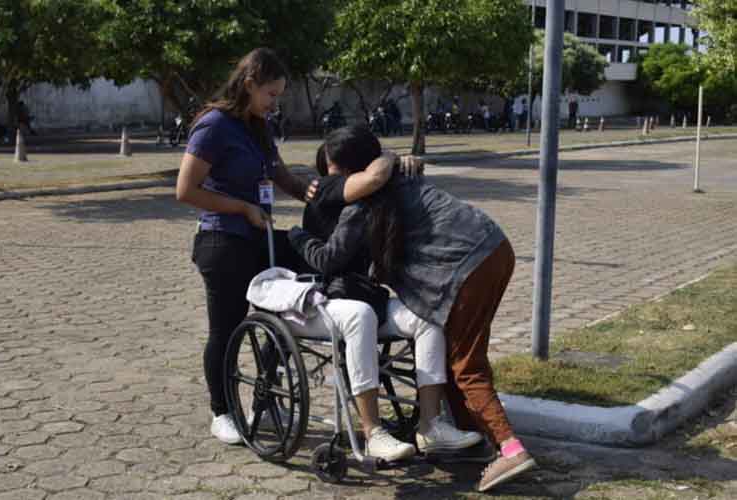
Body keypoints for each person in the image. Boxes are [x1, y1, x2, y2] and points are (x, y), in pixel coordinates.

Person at [288, 125, 537, 492]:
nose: (331, 179)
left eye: (334, 170)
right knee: (454, 352)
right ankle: (468, 436)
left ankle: (510, 449)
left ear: (355, 169)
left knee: (465, 365)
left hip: (468, 266)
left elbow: (330, 257)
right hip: (493, 247)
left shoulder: (363, 196)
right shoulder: (396, 177)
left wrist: (296, 236)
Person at [303, 145, 483, 459]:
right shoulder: (323, 202)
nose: (336, 179)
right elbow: (326, 260)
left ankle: (430, 426)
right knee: (361, 315)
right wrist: (298, 237)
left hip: (369, 297)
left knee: (426, 318)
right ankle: (373, 432)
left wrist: (402, 162)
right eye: (329, 171)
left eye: (340, 170)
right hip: (327, 300)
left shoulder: (378, 199)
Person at [176, 48, 318, 445]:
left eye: (279, 96)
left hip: (259, 238)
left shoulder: (259, 126)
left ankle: (264, 401)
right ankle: (221, 411)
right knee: (226, 328)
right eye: (271, 94)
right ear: (250, 83)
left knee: (292, 304)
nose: (275, 103)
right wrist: (242, 207)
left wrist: (313, 192)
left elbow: (278, 173)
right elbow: (185, 190)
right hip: (222, 240)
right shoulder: (214, 125)